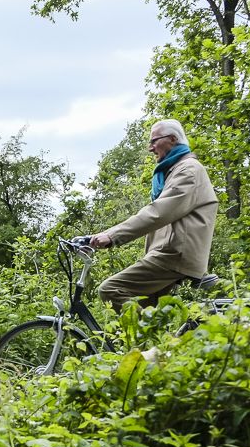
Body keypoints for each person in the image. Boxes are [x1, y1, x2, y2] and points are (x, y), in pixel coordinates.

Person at [90, 119, 218, 310]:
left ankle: (147, 339)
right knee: (148, 312)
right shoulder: (172, 171)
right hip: (167, 252)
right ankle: (163, 340)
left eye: (154, 141)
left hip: (175, 255)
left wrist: (112, 236)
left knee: (111, 290)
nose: (150, 148)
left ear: (173, 139)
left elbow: (158, 212)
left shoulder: (188, 170)